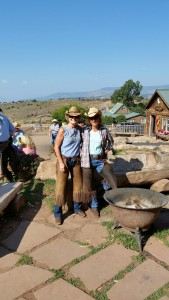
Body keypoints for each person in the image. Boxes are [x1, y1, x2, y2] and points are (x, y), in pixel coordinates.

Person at [81, 107, 117, 217]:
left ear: (99, 118)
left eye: (95, 117)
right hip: (88, 160)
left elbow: (111, 142)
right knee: (88, 184)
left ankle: (114, 201)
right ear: (89, 120)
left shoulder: (104, 130)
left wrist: (106, 150)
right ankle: (94, 206)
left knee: (112, 178)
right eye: (91, 118)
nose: (94, 120)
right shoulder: (85, 130)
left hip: (100, 160)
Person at [54, 106, 85, 224]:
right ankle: (58, 213)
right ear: (68, 117)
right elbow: (56, 147)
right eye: (72, 116)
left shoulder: (79, 129)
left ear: (78, 118)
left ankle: (77, 208)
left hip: (76, 160)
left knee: (78, 186)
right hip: (65, 160)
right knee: (60, 187)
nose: (74, 118)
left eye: (76, 116)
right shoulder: (63, 129)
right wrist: (61, 163)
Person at [0, 111, 18, 181]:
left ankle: (9, 178)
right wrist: (7, 136)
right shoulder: (5, 118)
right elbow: (12, 130)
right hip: (6, 143)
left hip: (3, 144)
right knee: (5, 162)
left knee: (2, 164)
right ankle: (11, 178)